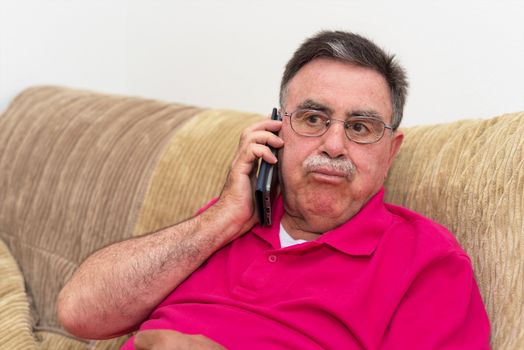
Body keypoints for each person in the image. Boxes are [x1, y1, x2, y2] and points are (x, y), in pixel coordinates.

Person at [57, 31, 490, 349]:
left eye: (360, 127)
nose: (334, 145)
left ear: (390, 152)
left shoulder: (427, 260)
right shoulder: (227, 220)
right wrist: (219, 220)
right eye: (313, 119)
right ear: (276, 129)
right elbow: (79, 314)